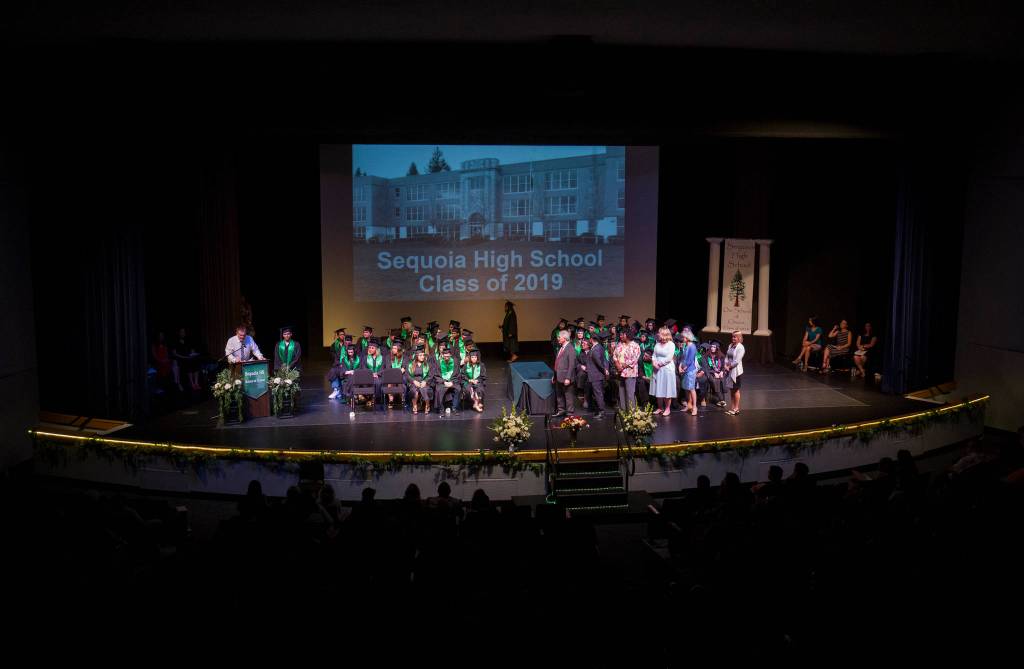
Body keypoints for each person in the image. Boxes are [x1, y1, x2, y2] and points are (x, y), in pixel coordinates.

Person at [650, 326, 678, 417]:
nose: (658, 334)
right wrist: (654, 362)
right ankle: (660, 407)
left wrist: (659, 364)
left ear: (665, 334)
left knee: (666, 388)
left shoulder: (671, 344)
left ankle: (667, 408)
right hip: (657, 369)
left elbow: (669, 358)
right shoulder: (657, 344)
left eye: (660, 333)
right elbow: (654, 355)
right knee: (658, 388)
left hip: (667, 369)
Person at [584, 331, 611, 418]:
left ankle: (601, 412)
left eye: (589, 339)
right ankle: (599, 410)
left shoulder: (595, 349)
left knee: (598, 394)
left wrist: (604, 370)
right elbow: (604, 360)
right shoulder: (599, 347)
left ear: (592, 340)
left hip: (596, 375)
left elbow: (599, 362)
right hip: (596, 375)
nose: (589, 341)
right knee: (597, 393)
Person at [613, 328, 641, 410]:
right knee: (621, 392)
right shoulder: (620, 344)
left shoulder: (635, 346)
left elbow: (634, 359)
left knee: (629, 393)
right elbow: (615, 355)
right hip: (620, 372)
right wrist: (617, 364)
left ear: (628, 335)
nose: (621, 336)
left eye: (623, 334)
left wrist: (622, 366)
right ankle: (623, 411)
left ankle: (631, 413)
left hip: (630, 372)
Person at [552, 329, 576, 416]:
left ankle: (570, 413)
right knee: (559, 395)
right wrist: (554, 376)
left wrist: (568, 378)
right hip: (558, 376)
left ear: (565, 338)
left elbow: (571, 365)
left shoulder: (570, 348)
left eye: (559, 337)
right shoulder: (561, 348)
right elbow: (558, 362)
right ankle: (561, 410)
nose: (558, 338)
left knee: (568, 396)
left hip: (566, 377)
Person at [434, 346, 462, 413]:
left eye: (448, 356)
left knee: (458, 389)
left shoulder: (455, 362)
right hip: (442, 382)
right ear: (442, 355)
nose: (446, 358)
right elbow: (436, 375)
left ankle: (454, 407)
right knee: (438, 389)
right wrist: (444, 382)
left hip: (453, 381)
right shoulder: (438, 362)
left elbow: (458, 374)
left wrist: (452, 382)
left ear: (450, 355)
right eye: (445, 356)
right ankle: (441, 408)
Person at [171, 327, 200, 391]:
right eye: (182, 332)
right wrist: (183, 357)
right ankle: (192, 383)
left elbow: (192, 349)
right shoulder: (175, 341)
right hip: (180, 358)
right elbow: (174, 353)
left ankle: (196, 383)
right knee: (188, 363)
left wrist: (193, 353)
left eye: (184, 332)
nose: (183, 333)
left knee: (195, 362)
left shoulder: (187, 340)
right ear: (179, 333)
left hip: (188, 357)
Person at [407, 346, 433, 414]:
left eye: (423, 355)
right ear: (416, 356)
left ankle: (427, 405)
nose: (422, 357)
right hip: (414, 382)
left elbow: (430, 375)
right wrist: (414, 381)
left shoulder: (427, 364)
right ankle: (414, 405)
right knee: (414, 390)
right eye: (420, 355)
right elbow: (408, 375)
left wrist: (425, 381)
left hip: (424, 382)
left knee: (425, 389)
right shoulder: (410, 364)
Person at [678, 328, 698, 416]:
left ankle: (694, 407)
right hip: (685, 370)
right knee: (686, 389)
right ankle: (689, 405)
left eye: (684, 337)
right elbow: (683, 358)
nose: (683, 338)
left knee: (692, 389)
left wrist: (684, 368)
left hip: (690, 370)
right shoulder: (686, 346)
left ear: (688, 337)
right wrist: (680, 366)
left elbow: (690, 360)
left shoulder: (692, 346)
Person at [724, 330, 745, 416]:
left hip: (736, 371)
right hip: (729, 370)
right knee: (731, 390)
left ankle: (736, 408)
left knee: (735, 390)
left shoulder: (741, 347)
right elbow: (726, 356)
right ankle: (732, 407)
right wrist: (725, 364)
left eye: (735, 337)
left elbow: (736, 361)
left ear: (739, 338)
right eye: (732, 336)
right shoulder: (730, 345)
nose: (733, 338)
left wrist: (729, 367)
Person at [360, 338, 385, 406]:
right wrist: (371, 374)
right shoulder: (365, 358)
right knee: (366, 382)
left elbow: (383, 368)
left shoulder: (382, 358)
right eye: (369, 348)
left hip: (378, 376)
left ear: (376, 349)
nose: (370, 349)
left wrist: (377, 373)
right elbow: (363, 368)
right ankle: (368, 398)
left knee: (378, 382)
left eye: (372, 348)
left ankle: (375, 399)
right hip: (368, 376)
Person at [384, 338, 408, 407]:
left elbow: (403, 369)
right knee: (390, 381)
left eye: (395, 348)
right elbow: (388, 368)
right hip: (391, 375)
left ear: (399, 349)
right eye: (392, 348)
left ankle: (402, 400)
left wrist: (396, 375)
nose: (393, 349)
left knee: (400, 382)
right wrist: (394, 375)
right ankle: (391, 400)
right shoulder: (388, 357)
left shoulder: (405, 357)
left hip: (402, 375)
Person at [462, 348, 487, 412]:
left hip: (477, 381)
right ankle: (477, 403)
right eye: (472, 357)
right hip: (468, 382)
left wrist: (477, 380)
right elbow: (462, 375)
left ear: (477, 358)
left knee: (479, 388)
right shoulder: (466, 365)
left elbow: (483, 376)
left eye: (475, 357)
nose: (474, 359)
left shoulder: (481, 365)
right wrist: (469, 380)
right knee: (469, 389)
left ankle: (476, 404)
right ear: (470, 358)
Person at [703, 340, 727, 407]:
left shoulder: (721, 356)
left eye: (714, 347)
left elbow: (723, 366)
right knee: (715, 380)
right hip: (710, 373)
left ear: (717, 348)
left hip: (719, 372)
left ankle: (721, 400)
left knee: (722, 379)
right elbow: (707, 368)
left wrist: (722, 372)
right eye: (711, 347)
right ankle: (721, 400)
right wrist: (714, 373)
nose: (712, 348)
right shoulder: (706, 356)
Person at [327, 328, 347, 400]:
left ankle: (342, 391)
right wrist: (339, 362)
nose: (342, 336)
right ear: (338, 336)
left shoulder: (347, 344)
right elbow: (333, 355)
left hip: (347, 364)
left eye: (343, 334)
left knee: (341, 372)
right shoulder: (334, 345)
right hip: (338, 363)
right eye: (341, 335)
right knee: (333, 371)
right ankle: (336, 390)